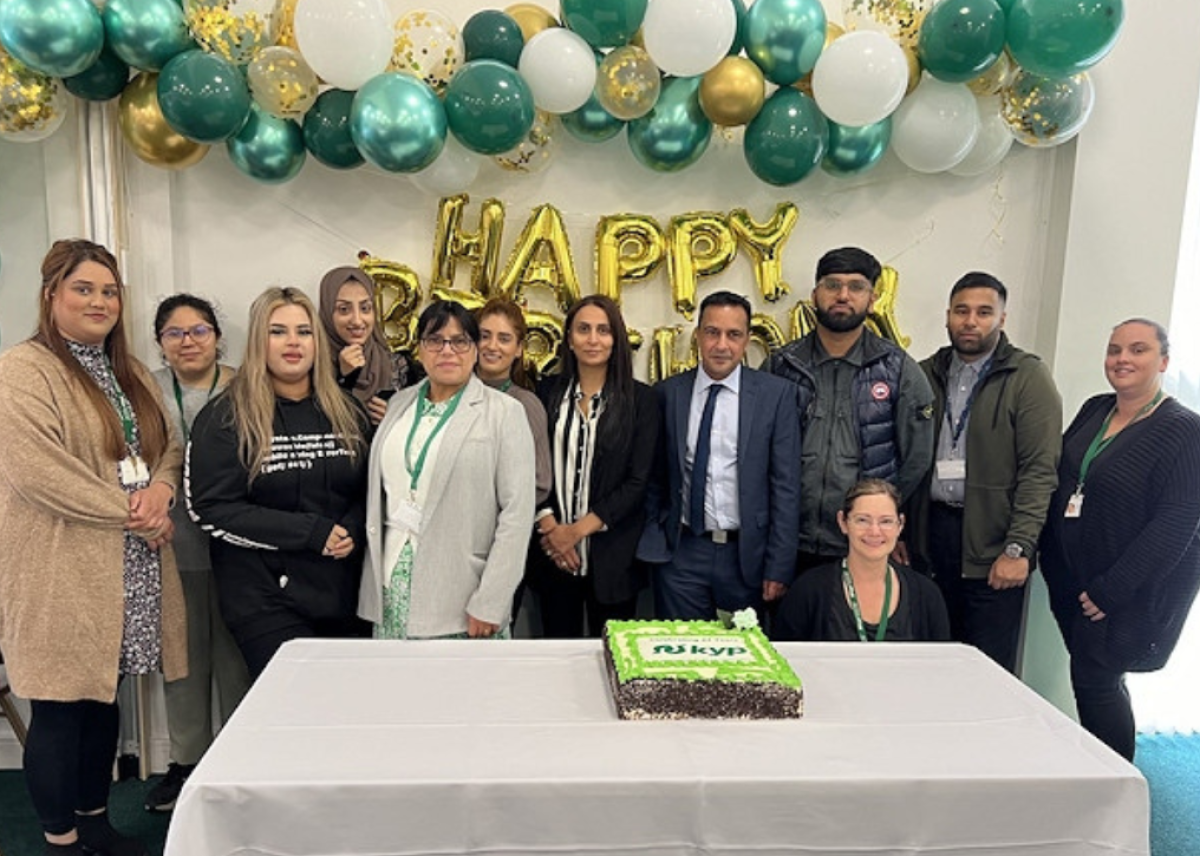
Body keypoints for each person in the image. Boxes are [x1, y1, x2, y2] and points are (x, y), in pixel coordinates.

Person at [0, 239, 186, 856]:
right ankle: (61, 840)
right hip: (61, 565)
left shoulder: (126, 369)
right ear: (52, 294)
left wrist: (159, 491)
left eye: (109, 291)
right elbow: (37, 472)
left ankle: (97, 822)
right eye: (84, 288)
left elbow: (167, 446)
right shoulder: (23, 368)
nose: (99, 301)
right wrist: (132, 513)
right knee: (59, 706)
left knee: (102, 696)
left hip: (126, 562)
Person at [187, 287, 370, 679]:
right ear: (258, 341)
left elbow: (369, 490)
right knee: (300, 708)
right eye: (278, 331)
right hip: (264, 599)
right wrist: (311, 532)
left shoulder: (347, 410)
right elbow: (210, 508)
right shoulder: (226, 417)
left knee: (345, 715)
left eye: (304, 332)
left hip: (345, 594)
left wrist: (352, 528)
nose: (293, 343)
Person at [1040, 319, 1200, 760]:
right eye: (1114, 350)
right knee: (1098, 679)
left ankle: (1113, 787)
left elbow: (1178, 520)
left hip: (1123, 590)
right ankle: (1108, 778)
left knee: (1096, 681)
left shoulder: (1184, 430)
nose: (1122, 359)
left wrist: (1112, 589)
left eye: (1138, 350)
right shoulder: (1096, 409)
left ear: (1163, 361)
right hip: (1075, 583)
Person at [904, 273, 1062, 673]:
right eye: (961, 311)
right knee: (928, 663)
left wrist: (1018, 548)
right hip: (931, 540)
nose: (970, 321)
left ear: (1002, 319)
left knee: (987, 669)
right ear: (947, 317)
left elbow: (1039, 472)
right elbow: (902, 456)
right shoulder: (923, 373)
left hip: (994, 547)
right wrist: (900, 533)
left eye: (983, 312)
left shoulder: (1027, 377)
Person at [358, 300, 535, 639]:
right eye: (435, 340)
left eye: (460, 341)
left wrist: (491, 601)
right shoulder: (399, 404)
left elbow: (517, 515)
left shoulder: (504, 413)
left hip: (464, 596)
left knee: (462, 691)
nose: (447, 351)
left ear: (474, 349)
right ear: (421, 349)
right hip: (392, 582)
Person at [763, 247, 935, 573]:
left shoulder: (898, 370)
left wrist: (880, 515)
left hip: (862, 544)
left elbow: (917, 458)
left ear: (872, 299)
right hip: (788, 541)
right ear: (815, 295)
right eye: (832, 285)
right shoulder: (782, 365)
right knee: (788, 625)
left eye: (856, 287)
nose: (843, 295)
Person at [145, 295, 250, 813]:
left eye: (199, 330)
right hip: (168, 541)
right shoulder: (142, 390)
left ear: (217, 336)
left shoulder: (245, 385)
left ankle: (237, 761)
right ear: (161, 343)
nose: (188, 341)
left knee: (236, 659)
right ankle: (185, 763)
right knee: (182, 660)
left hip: (237, 547)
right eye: (175, 333)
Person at [640, 290, 801, 620]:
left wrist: (779, 564)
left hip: (747, 555)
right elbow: (654, 477)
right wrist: (657, 538)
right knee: (683, 660)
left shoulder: (776, 395)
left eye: (734, 335)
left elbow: (786, 486)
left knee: (744, 662)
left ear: (747, 340)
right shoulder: (668, 393)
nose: (721, 345)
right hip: (682, 553)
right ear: (698, 335)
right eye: (712, 332)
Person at [527, 295, 660, 637]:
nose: (593, 339)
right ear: (569, 338)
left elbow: (637, 481)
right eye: (583, 329)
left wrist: (574, 532)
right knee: (556, 662)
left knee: (614, 662)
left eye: (603, 330)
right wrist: (551, 529)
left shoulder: (641, 401)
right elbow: (529, 466)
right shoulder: (545, 392)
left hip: (614, 561)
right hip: (551, 556)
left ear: (616, 340)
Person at [773, 480, 950, 642]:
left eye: (886, 521)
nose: (874, 531)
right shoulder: (808, 591)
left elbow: (940, 667)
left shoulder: (926, 595)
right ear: (843, 522)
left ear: (900, 525)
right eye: (862, 520)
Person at [475, 297, 551, 505]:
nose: (492, 346)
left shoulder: (525, 405)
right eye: (485, 336)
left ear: (519, 348)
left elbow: (540, 484)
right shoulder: (450, 393)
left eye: (504, 339)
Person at [317, 265, 412, 425]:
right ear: (327, 312)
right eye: (344, 309)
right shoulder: (312, 366)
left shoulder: (395, 365)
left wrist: (394, 423)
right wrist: (345, 379)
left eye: (365, 308)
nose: (357, 320)